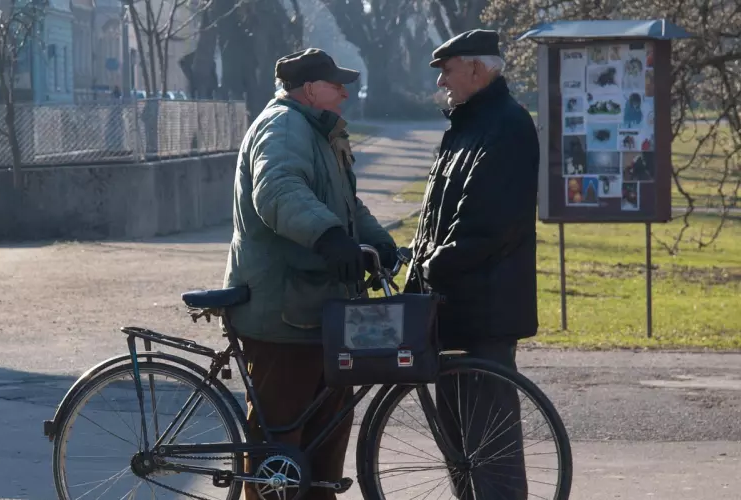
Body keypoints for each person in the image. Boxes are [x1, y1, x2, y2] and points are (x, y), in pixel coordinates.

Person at [222, 48, 397, 500]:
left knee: (326, 433)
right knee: (280, 439)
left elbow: (347, 205)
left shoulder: (319, 131)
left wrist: (380, 242)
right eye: (335, 84)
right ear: (309, 89)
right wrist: (329, 238)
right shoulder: (283, 128)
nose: (345, 91)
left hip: (319, 308)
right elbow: (278, 191)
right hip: (283, 311)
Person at [405, 29, 539, 499]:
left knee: (489, 448)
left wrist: (429, 267)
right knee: (460, 447)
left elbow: (483, 224)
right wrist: (415, 263)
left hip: (485, 308)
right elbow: (435, 218)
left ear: (477, 69)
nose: (442, 80)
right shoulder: (466, 126)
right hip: (454, 307)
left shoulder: (507, 126)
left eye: (448, 69)